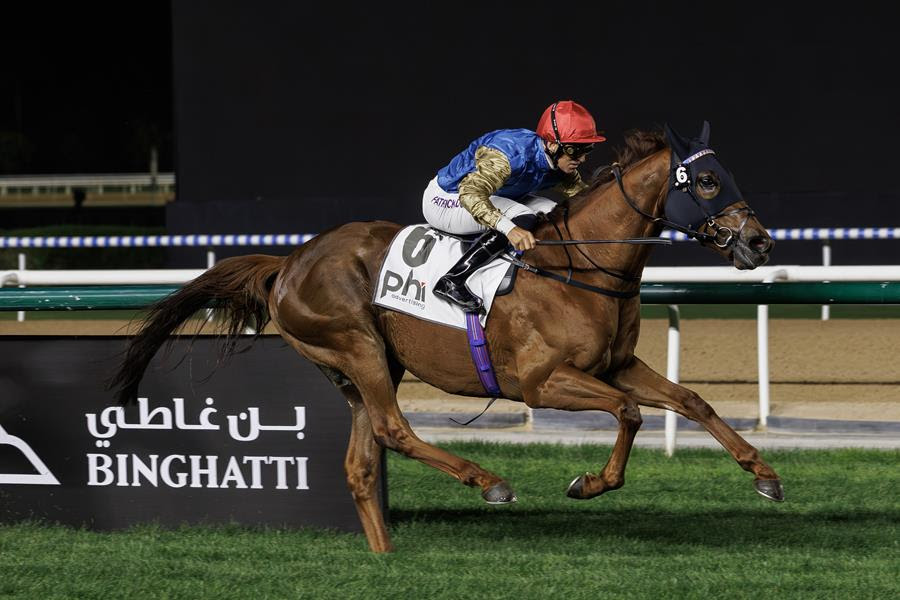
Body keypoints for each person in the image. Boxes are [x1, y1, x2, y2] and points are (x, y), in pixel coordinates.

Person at [423, 100, 607, 312]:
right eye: (576, 150)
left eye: (588, 149)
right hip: (448, 198)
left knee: (553, 213)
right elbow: (471, 193)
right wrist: (509, 229)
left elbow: (583, 197)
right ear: (552, 144)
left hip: (492, 195)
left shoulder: (559, 160)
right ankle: (454, 279)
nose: (582, 158)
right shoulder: (509, 155)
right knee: (523, 216)